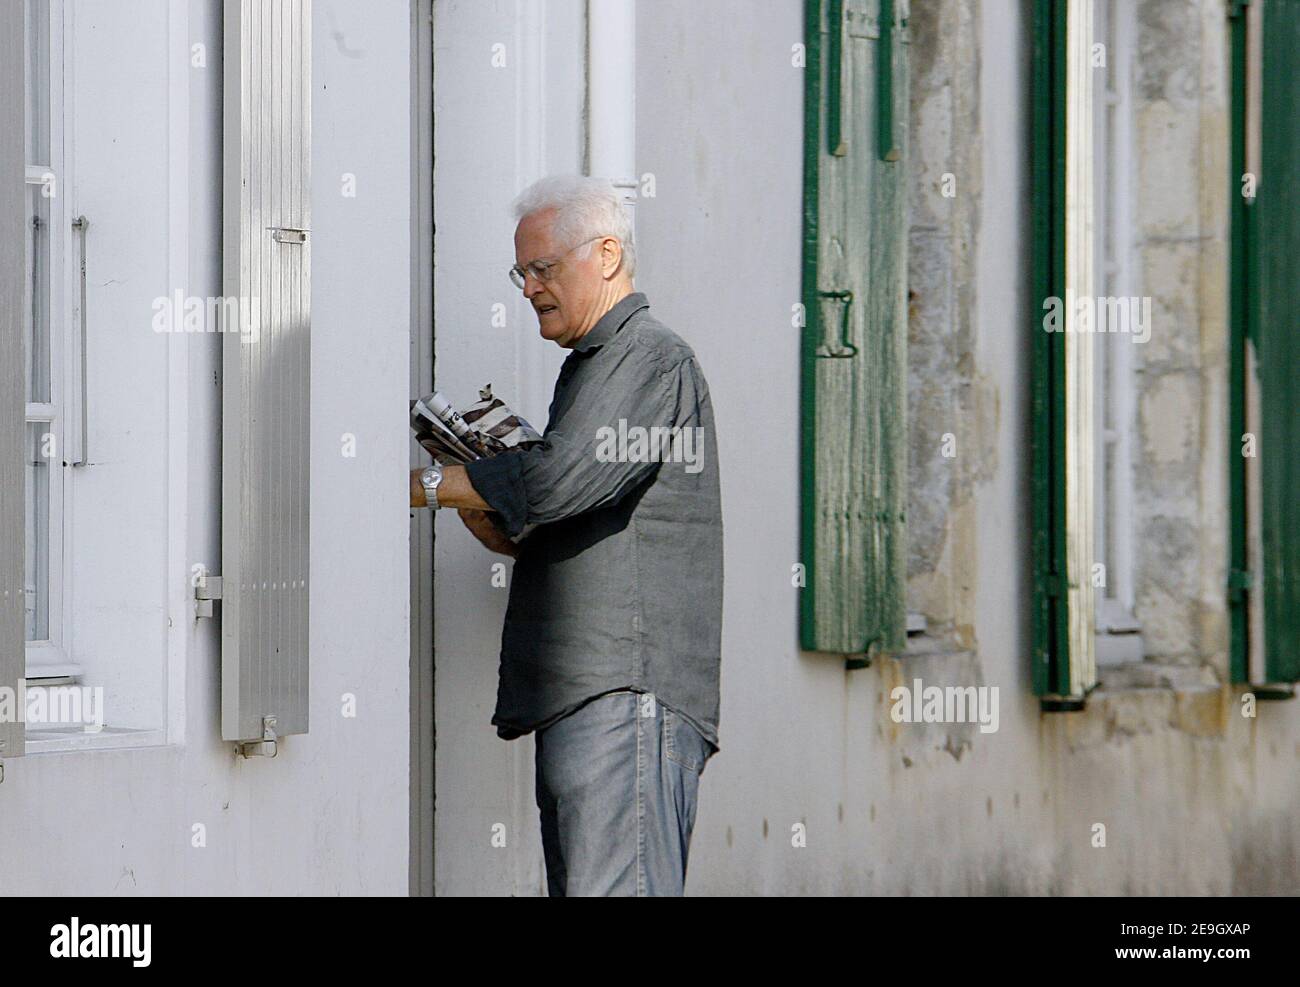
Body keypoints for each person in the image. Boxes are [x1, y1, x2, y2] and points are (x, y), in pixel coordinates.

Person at [409, 175, 723, 896]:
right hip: (595, 695)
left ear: (607, 255)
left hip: (624, 694)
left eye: (543, 268)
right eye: (521, 272)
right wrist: (490, 508)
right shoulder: (598, 365)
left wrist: (430, 486)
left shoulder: (648, 357)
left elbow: (558, 482)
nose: (528, 288)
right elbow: (573, 512)